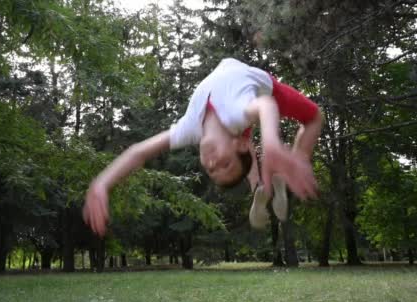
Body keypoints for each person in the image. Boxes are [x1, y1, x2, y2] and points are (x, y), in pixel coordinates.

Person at [83, 58, 324, 236]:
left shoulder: (190, 128)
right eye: (224, 164)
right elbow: (266, 104)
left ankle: (271, 182)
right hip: (264, 87)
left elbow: (138, 152)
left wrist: (103, 182)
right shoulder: (236, 116)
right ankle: (285, 171)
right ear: (237, 142)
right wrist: (273, 144)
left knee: (244, 140)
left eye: (211, 170)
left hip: (238, 116)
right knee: (314, 116)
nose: (211, 163)